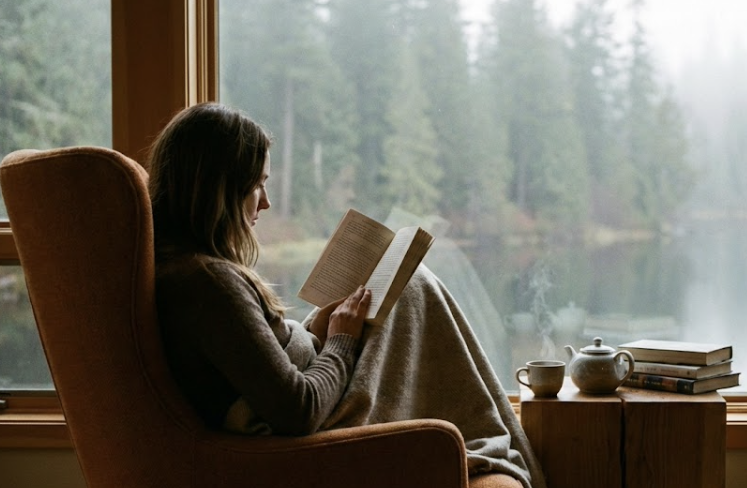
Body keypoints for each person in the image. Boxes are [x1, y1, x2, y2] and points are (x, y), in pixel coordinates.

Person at [148, 102, 546, 488]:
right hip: (319, 423)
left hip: (316, 377)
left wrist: (317, 331)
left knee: (406, 286)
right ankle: (495, 438)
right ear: (219, 188)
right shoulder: (207, 283)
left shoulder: (188, 271)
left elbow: (259, 363)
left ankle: (489, 432)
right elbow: (298, 410)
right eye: (257, 185)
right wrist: (341, 339)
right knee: (411, 286)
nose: (265, 202)